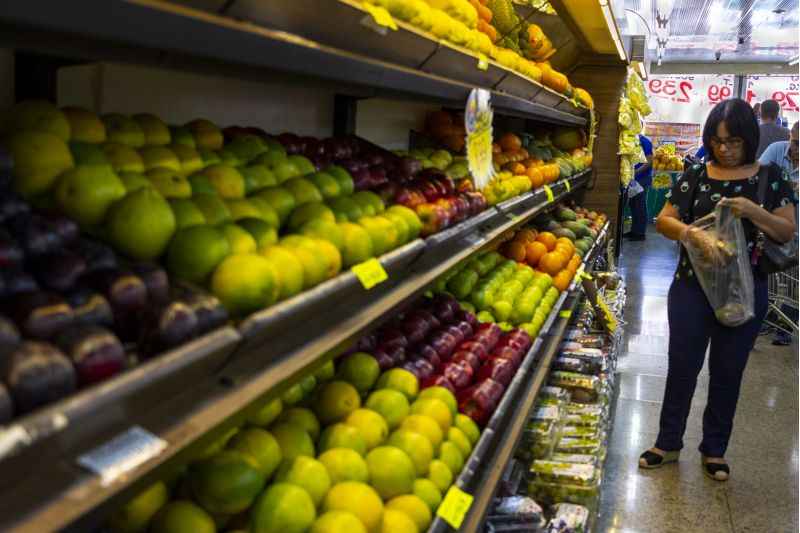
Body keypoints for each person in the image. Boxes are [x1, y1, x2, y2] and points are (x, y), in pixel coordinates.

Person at [639, 99, 796, 481]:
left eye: (734, 142)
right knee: (682, 367)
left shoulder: (770, 177)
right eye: (717, 140)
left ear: (750, 139)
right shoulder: (696, 174)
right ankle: (667, 442)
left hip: (745, 289)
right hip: (691, 289)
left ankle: (714, 449)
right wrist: (692, 234)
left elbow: (786, 230)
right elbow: (665, 220)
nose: (723, 149)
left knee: (728, 372)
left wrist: (751, 210)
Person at [759, 121, 799, 345]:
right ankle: (768, 318)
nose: (798, 149)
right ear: (790, 136)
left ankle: (786, 326)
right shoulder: (775, 150)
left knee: (795, 284)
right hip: (774, 227)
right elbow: (758, 176)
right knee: (771, 277)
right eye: (796, 143)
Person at [624, 133, 653, 241]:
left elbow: (650, 161)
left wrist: (636, 171)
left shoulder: (645, 141)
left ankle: (640, 233)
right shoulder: (631, 140)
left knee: (640, 206)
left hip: (642, 178)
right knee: (634, 205)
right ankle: (634, 231)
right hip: (634, 179)